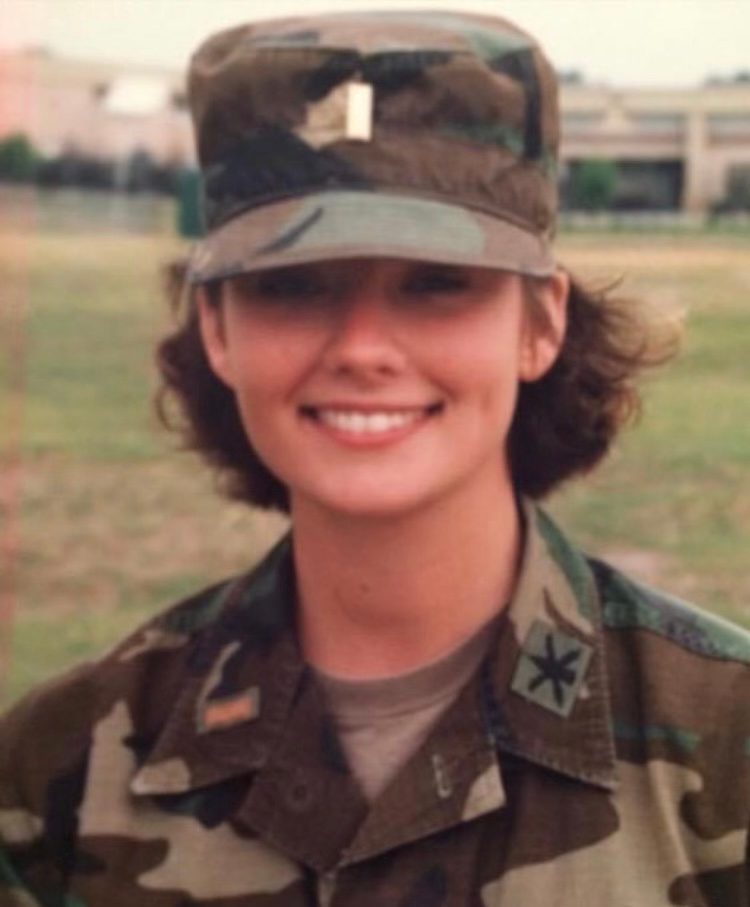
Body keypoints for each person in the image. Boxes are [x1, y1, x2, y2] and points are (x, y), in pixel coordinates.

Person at [1, 9, 748, 906]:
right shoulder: (58, 773)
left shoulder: (726, 740)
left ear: (540, 322)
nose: (361, 346)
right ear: (217, 328)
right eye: (292, 285)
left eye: (436, 282)